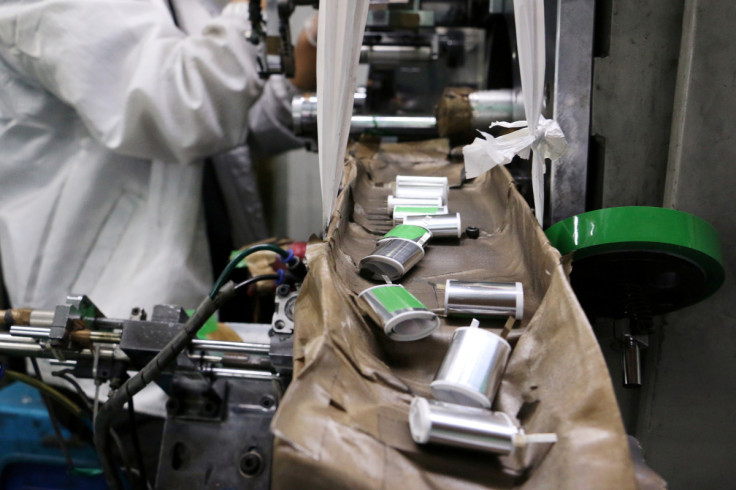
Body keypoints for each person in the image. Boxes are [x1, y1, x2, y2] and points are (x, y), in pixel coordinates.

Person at [0, 0, 318, 319]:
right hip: (112, 304)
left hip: (212, 280)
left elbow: (230, 125)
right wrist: (254, 9)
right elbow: (180, 106)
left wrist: (313, 50)